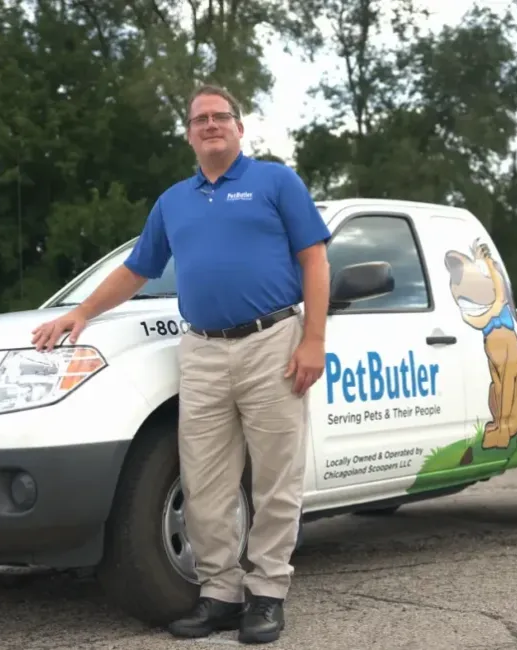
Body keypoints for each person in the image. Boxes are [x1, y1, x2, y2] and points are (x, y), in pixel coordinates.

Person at [31, 83, 331, 644]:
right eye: (200, 119)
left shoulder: (275, 181)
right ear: (189, 134)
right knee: (205, 482)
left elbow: (314, 258)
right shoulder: (174, 201)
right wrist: (81, 313)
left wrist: (313, 339)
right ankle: (219, 594)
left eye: (221, 117)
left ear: (240, 128)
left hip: (273, 341)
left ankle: (267, 595)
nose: (211, 125)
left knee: (275, 478)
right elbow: (137, 269)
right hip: (202, 349)